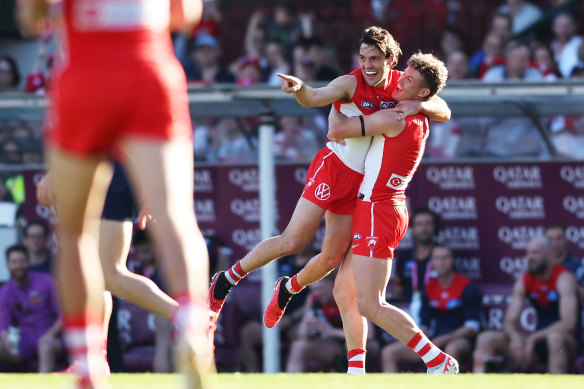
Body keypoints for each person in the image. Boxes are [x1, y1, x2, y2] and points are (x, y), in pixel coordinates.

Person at [208, 26, 451, 374]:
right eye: (363, 58)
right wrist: (300, 90)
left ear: (391, 60)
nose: (367, 65)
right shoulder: (352, 83)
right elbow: (318, 99)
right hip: (335, 167)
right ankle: (227, 279)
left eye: (375, 59)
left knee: (334, 266)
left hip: (365, 187)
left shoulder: (402, 87)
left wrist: (422, 101)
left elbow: (444, 107)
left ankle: (292, 293)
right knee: (294, 240)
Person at [18, 1, 211, 388]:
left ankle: (88, 363)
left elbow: (30, 19)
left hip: (85, 77)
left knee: (77, 240)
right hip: (148, 69)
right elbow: (186, 15)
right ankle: (192, 324)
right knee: (175, 219)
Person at [326, 52, 457, 375]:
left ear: (423, 93)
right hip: (380, 207)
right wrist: (424, 104)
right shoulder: (413, 108)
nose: (400, 80)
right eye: (403, 73)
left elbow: (337, 132)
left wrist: (339, 99)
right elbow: (443, 108)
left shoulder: (398, 117)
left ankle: (438, 360)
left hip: (379, 209)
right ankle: (356, 372)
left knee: (371, 303)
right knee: (344, 291)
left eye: (408, 80)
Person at [472, 236, 580, 374]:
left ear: (550, 254)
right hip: (536, 343)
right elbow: (509, 321)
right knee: (486, 338)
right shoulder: (526, 280)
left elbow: (568, 323)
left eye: (536, 253)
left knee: (555, 338)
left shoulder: (564, 278)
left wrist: (533, 338)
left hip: (565, 344)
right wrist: (515, 338)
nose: (530, 257)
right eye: (528, 253)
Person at [381, 245, 481, 372]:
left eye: (445, 258)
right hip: (434, 339)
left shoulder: (467, 286)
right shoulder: (429, 286)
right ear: (432, 262)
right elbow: (425, 325)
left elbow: (471, 327)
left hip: (461, 339)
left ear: (453, 260)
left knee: (451, 349)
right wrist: (417, 341)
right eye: (437, 258)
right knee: (389, 352)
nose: (442, 262)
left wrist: (443, 339)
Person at [0, 244, 64, 373]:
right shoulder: (6, 291)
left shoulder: (47, 282)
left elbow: (63, 316)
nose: (19, 266)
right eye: (14, 262)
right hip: (25, 342)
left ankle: (43, 385)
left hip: (53, 338)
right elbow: (3, 324)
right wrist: (6, 341)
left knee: (45, 345)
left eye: (22, 261)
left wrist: (49, 335)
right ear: (8, 265)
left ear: (28, 262)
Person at [285, 273, 346, 372]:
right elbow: (301, 334)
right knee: (298, 347)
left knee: (353, 346)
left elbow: (368, 335)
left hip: (353, 344)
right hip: (331, 344)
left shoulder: (346, 296)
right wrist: (307, 327)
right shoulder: (313, 299)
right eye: (313, 290)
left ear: (332, 284)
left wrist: (330, 331)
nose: (315, 293)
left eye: (318, 289)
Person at [389, 208, 441, 323]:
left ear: (435, 228)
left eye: (428, 224)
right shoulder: (404, 256)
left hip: (437, 310)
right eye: (419, 224)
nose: (424, 229)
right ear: (413, 229)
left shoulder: (443, 254)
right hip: (408, 311)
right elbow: (398, 289)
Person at [544, 222, 584, 297]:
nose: (555, 244)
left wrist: (573, 288)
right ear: (543, 241)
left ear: (566, 239)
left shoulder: (577, 265)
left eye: (559, 238)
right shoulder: (539, 265)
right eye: (550, 239)